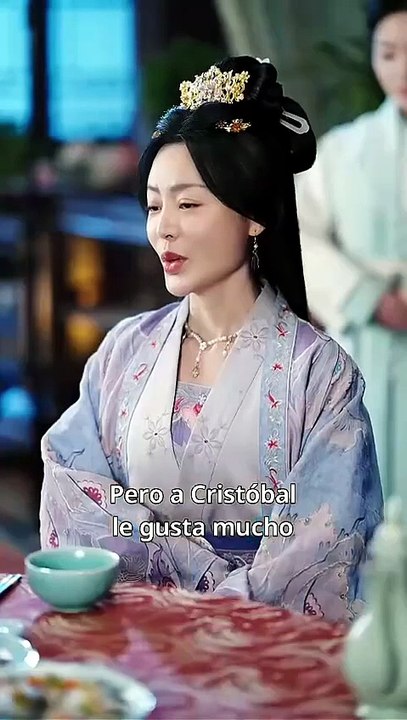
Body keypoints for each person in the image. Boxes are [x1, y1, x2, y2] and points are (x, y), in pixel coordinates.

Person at [39, 56, 383, 623]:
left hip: (256, 652)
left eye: (189, 203)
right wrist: (179, 595)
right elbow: (71, 487)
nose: (164, 227)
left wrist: (206, 606)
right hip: (138, 637)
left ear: (253, 215)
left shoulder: (319, 374)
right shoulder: (124, 351)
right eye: (154, 205)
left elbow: (322, 549)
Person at [295, 0, 407, 505]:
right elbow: (297, 232)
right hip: (367, 340)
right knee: (364, 484)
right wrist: (368, 296)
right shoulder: (342, 150)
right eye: (389, 54)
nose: (401, 70)